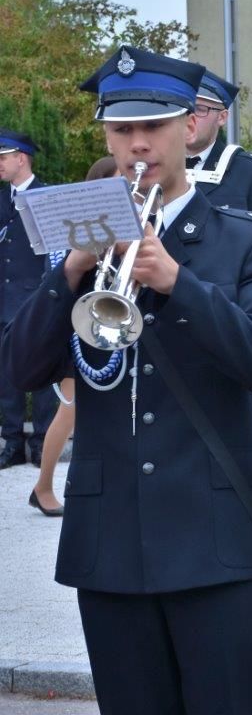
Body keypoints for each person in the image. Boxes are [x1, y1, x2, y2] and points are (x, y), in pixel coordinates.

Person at [1, 45, 252, 715]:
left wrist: (178, 284)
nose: (137, 145)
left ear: (188, 127)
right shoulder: (82, 242)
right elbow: (18, 370)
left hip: (217, 543)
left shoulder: (246, 240)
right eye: (121, 130)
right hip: (109, 547)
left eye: (153, 127)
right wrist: (70, 272)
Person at [29, 156, 119, 517]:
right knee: (70, 411)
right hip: (82, 329)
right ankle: (43, 486)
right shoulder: (85, 228)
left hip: (107, 329)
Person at [0, 129, 57, 469]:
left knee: (44, 376)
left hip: (36, 301)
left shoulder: (47, 197)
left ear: (21, 158)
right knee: (6, 376)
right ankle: (12, 442)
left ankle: (41, 442)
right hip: (3, 301)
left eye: (3, 158)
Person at [185, 68, 252, 220]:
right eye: (184, 108)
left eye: (199, 109)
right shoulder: (156, 166)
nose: (190, 118)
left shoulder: (248, 170)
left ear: (222, 117)